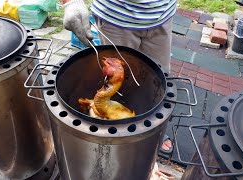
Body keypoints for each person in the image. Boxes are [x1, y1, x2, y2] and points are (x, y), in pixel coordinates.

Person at [62, 0, 175, 155]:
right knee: (119, 80)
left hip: (162, 15)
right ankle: (112, 141)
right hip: (116, 17)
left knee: (158, 80)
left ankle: (154, 131)